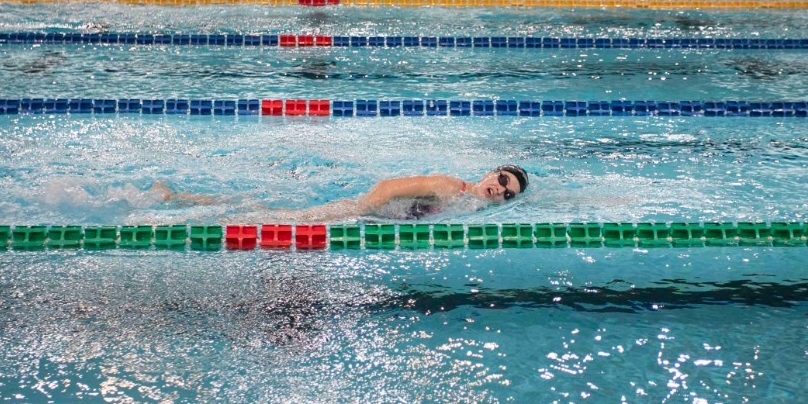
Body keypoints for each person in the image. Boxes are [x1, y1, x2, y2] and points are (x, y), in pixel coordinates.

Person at [149, 165, 529, 221]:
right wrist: (360, 213)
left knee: (266, 211)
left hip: (367, 215)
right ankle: (177, 204)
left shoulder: (467, 205)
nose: (499, 190)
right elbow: (386, 188)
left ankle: (184, 201)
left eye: (507, 194)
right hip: (359, 211)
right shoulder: (449, 186)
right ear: (489, 173)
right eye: (501, 180)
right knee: (270, 218)